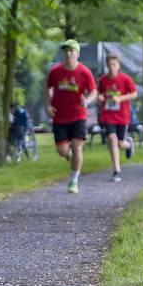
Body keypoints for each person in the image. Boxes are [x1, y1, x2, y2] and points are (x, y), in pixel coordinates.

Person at [45, 39, 97, 193]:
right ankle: (69, 156)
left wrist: (87, 100)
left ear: (77, 54)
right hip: (60, 116)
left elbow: (94, 91)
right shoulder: (55, 71)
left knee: (77, 147)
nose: (68, 53)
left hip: (78, 115)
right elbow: (48, 88)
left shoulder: (84, 72)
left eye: (71, 50)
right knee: (62, 151)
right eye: (66, 50)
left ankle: (74, 181)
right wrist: (48, 105)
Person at [96, 54, 137, 182]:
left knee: (120, 143)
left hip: (122, 115)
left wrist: (120, 98)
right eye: (109, 65)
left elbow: (134, 94)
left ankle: (128, 145)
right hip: (108, 115)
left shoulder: (125, 79)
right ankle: (116, 170)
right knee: (112, 139)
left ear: (118, 66)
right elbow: (99, 94)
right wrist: (100, 97)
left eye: (114, 65)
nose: (111, 67)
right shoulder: (103, 80)